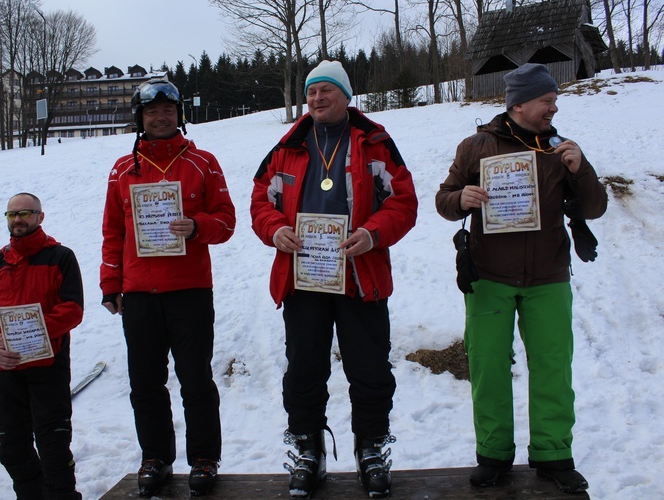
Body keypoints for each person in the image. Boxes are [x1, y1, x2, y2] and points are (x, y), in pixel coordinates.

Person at [435, 63, 608, 494]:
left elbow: (594, 207)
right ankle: (493, 455)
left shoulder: (560, 148)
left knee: (553, 367)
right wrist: (462, 197)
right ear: (519, 104)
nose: (554, 107)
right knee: (489, 367)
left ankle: (553, 455)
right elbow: (443, 200)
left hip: (549, 276)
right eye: (546, 100)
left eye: (553, 100)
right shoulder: (475, 146)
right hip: (489, 276)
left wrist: (580, 167)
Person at [250, 60, 418, 498]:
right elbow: (259, 201)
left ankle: (371, 448)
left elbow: (403, 203)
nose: (317, 99)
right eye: (311, 93)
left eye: (326, 91)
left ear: (346, 96)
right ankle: (309, 450)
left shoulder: (375, 143)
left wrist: (372, 233)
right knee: (304, 369)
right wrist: (274, 229)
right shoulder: (287, 146)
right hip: (304, 277)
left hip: (361, 276)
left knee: (370, 369)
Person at [100, 77, 235, 497]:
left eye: (167, 111)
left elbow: (227, 221)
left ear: (180, 116)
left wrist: (197, 226)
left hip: (189, 290)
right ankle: (155, 457)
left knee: (195, 379)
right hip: (140, 293)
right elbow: (112, 232)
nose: (160, 117)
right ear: (140, 118)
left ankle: (204, 459)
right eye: (151, 112)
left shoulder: (204, 162)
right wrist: (110, 284)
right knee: (145, 383)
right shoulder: (122, 169)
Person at [0, 193, 84, 500]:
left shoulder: (60, 257)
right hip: (6, 370)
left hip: (48, 368)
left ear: (40, 217)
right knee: (13, 450)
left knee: (53, 448)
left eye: (25, 213)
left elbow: (72, 309)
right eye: (12, 215)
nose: (18, 219)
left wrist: (26, 334)